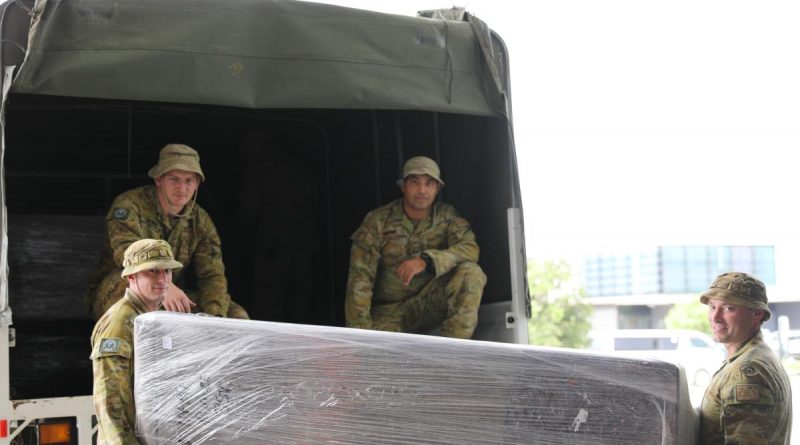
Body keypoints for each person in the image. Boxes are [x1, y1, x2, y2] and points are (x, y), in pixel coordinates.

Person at [87, 143, 248, 320]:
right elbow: (127, 254)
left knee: (236, 315)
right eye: (174, 179)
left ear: (197, 184)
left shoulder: (200, 220)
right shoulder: (130, 205)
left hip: (167, 293)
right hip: (123, 287)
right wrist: (164, 285)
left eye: (189, 181)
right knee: (134, 293)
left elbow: (212, 275)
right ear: (159, 179)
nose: (182, 188)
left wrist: (215, 316)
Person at [344, 156, 486, 338]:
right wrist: (358, 337)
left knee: (471, 272)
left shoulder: (447, 217)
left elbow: (470, 249)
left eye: (429, 183)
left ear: (437, 189)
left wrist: (428, 260)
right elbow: (360, 280)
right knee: (379, 358)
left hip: (429, 304)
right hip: (389, 312)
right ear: (403, 186)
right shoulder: (377, 222)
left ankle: (452, 354)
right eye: (414, 182)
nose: (422, 190)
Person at [91, 238, 183, 444]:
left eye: (167, 271)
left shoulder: (152, 319)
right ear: (131, 276)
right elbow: (109, 401)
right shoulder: (120, 323)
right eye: (152, 271)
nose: (163, 279)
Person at [699, 271, 792, 444]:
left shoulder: (747, 371)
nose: (715, 317)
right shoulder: (756, 356)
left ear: (756, 314)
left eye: (729, 308)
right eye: (712, 307)